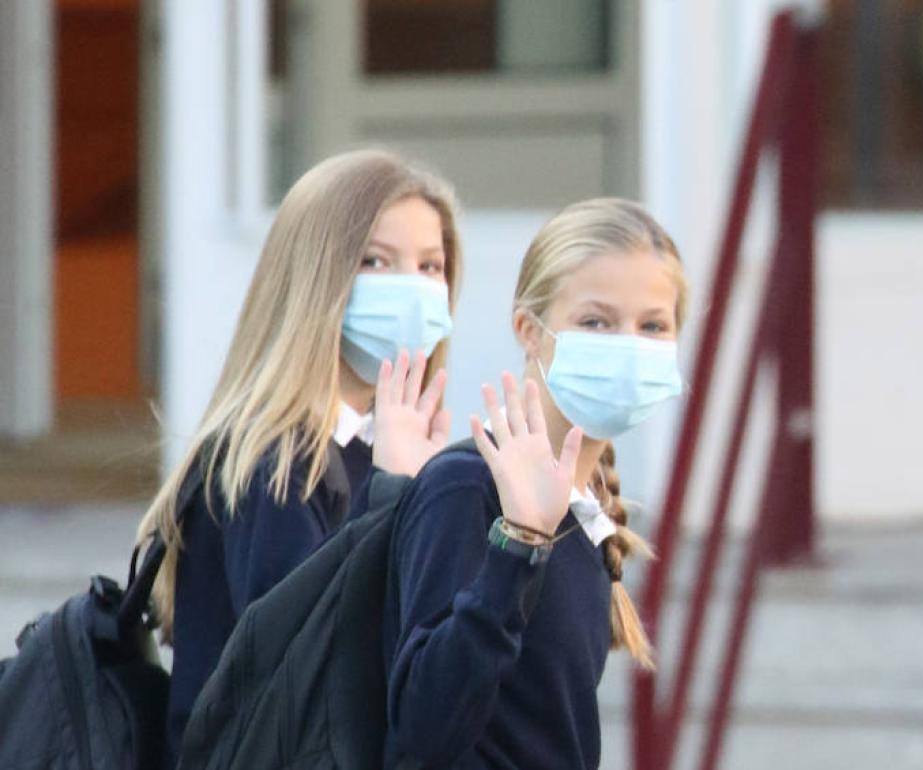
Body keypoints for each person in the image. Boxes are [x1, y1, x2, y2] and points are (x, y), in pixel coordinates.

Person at [132, 149, 463, 764]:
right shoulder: (272, 461)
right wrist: (395, 493)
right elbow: (313, 662)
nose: (412, 287)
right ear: (315, 277)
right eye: (375, 261)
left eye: (430, 265)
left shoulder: (376, 447)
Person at [375, 198, 687, 769]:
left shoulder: (586, 510)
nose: (626, 345)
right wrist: (517, 544)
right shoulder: (467, 489)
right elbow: (424, 728)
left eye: (652, 326)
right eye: (595, 321)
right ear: (530, 330)